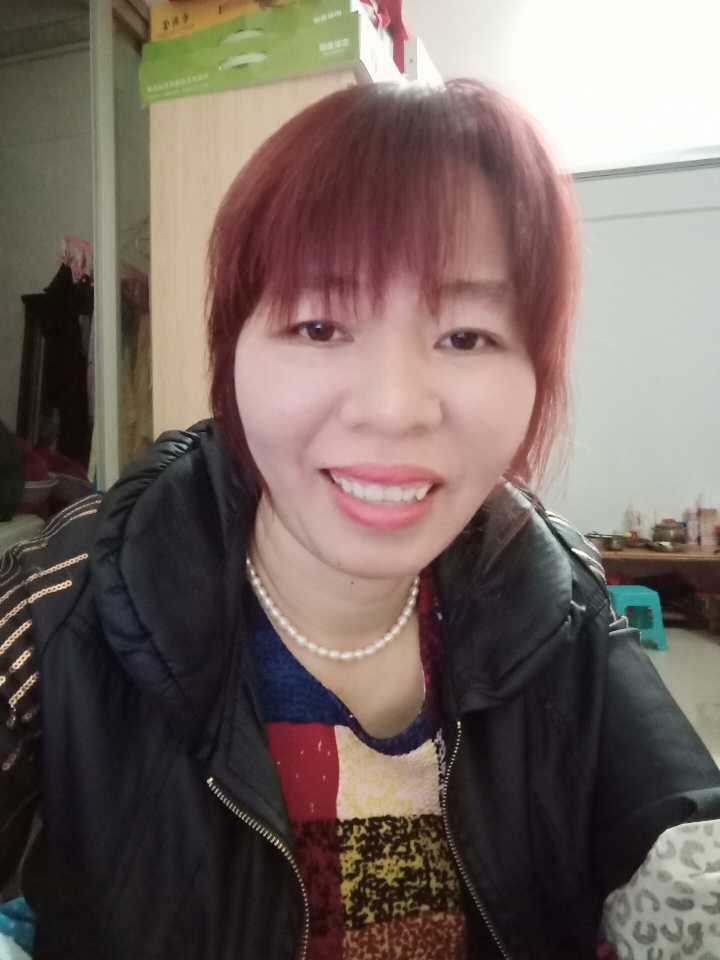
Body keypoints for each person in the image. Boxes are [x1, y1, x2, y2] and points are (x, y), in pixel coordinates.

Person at [1, 80, 719, 960]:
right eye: (318, 326)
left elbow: (686, 856)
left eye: (465, 337)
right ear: (232, 350)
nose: (392, 409)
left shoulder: (553, 595)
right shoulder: (66, 602)